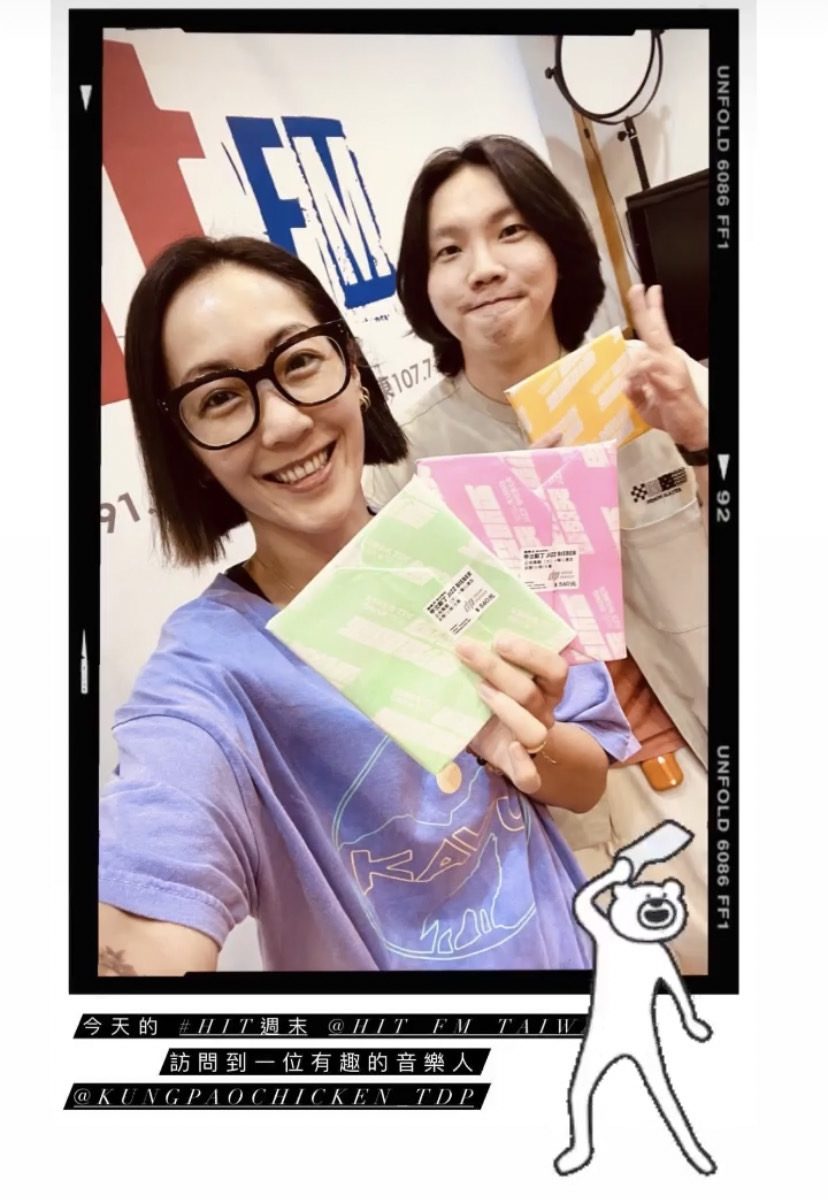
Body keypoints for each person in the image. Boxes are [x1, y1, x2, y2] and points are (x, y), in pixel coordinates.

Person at [98, 234, 636, 975]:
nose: (284, 422)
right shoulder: (207, 676)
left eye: (299, 362)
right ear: (185, 445)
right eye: (219, 398)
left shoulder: (463, 541)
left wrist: (535, 739)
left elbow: (586, 782)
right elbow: (150, 888)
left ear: (352, 366)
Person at [362, 136, 710, 973]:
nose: (483, 268)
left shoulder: (661, 383)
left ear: (558, 245)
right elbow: (419, 690)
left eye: (510, 231)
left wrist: (704, 441)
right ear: (424, 285)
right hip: (572, 818)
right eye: (449, 250)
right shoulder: (403, 466)